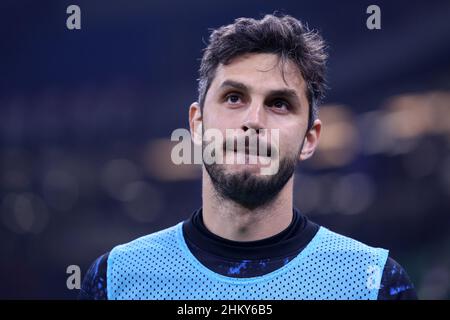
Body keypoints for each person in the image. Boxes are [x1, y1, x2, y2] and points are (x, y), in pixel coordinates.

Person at [79, 14, 417, 300]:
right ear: (197, 124)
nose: (254, 120)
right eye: (234, 97)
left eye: (279, 103)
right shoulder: (116, 280)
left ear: (309, 139)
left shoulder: (373, 283)